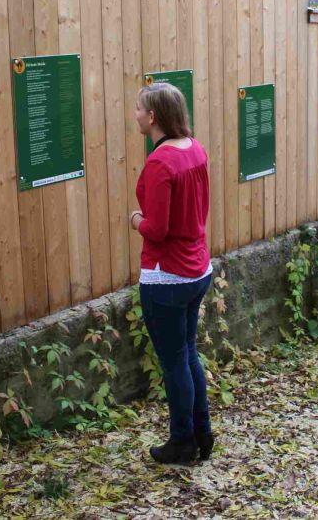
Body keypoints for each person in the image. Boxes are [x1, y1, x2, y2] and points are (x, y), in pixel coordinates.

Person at [130, 82, 215, 465]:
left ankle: (182, 442)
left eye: (138, 109)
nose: (134, 115)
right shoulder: (194, 149)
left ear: (152, 117)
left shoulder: (160, 162)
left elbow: (158, 228)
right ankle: (202, 432)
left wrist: (135, 221)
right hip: (198, 268)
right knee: (188, 353)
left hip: (168, 277)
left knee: (174, 361)